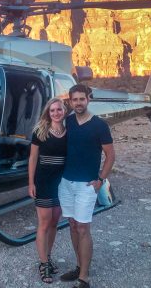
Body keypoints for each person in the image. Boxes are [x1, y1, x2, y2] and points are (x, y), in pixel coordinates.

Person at [58, 84, 115, 288]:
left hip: (87, 185)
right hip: (66, 183)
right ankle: (79, 265)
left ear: (88, 99)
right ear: (70, 102)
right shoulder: (68, 122)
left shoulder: (99, 125)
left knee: (83, 228)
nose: (79, 103)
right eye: (75, 100)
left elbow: (110, 155)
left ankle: (84, 277)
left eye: (82, 99)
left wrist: (100, 180)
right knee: (72, 225)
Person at [28, 97, 67, 284]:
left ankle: (48, 256)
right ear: (48, 112)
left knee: (54, 222)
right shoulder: (40, 131)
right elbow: (33, 158)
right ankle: (43, 264)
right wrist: (31, 183)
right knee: (44, 223)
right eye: (52, 110)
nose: (56, 113)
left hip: (61, 183)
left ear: (64, 111)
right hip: (43, 181)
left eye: (59, 109)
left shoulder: (69, 132)